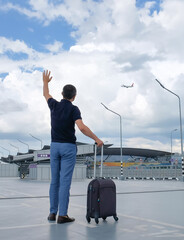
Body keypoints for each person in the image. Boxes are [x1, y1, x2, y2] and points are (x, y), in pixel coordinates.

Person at [43, 70, 103, 224]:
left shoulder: (54, 105)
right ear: (74, 96)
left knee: (54, 181)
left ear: (62, 93)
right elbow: (82, 128)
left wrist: (45, 82)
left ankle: (52, 213)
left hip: (54, 146)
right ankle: (62, 215)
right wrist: (96, 139)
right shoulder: (73, 109)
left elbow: (46, 95)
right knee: (64, 182)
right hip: (68, 148)